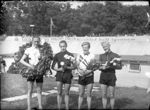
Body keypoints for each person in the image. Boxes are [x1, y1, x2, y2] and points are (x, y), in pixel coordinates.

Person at [20, 36, 43, 110]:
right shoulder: (28, 49)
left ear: (39, 41)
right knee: (30, 90)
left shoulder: (41, 50)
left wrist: (42, 65)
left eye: (37, 41)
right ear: (32, 41)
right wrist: (30, 66)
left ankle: (40, 106)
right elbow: (21, 60)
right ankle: (29, 108)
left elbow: (44, 61)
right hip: (31, 72)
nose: (36, 43)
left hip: (39, 71)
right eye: (35, 41)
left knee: (39, 90)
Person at [51, 40, 75, 110]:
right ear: (59, 47)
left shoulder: (70, 55)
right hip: (59, 75)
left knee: (67, 93)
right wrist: (59, 69)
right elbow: (52, 67)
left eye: (64, 46)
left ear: (66, 46)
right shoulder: (57, 55)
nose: (62, 48)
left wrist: (67, 67)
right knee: (59, 92)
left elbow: (74, 66)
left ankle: (67, 108)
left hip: (68, 75)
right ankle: (59, 108)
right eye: (61, 46)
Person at [99, 41, 122, 109]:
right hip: (103, 76)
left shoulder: (116, 55)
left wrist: (111, 66)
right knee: (104, 94)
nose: (105, 47)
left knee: (111, 95)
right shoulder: (101, 56)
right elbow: (99, 67)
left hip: (111, 76)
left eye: (106, 46)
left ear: (109, 45)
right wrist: (101, 67)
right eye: (103, 46)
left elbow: (120, 67)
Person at [76, 42, 96, 110]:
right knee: (81, 94)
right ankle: (79, 108)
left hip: (89, 76)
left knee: (89, 94)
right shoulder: (79, 55)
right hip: (81, 76)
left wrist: (88, 72)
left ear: (89, 47)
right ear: (82, 47)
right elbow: (77, 65)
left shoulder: (92, 56)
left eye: (86, 47)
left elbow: (94, 67)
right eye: (84, 47)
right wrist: (79, 71)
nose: (85, 48)